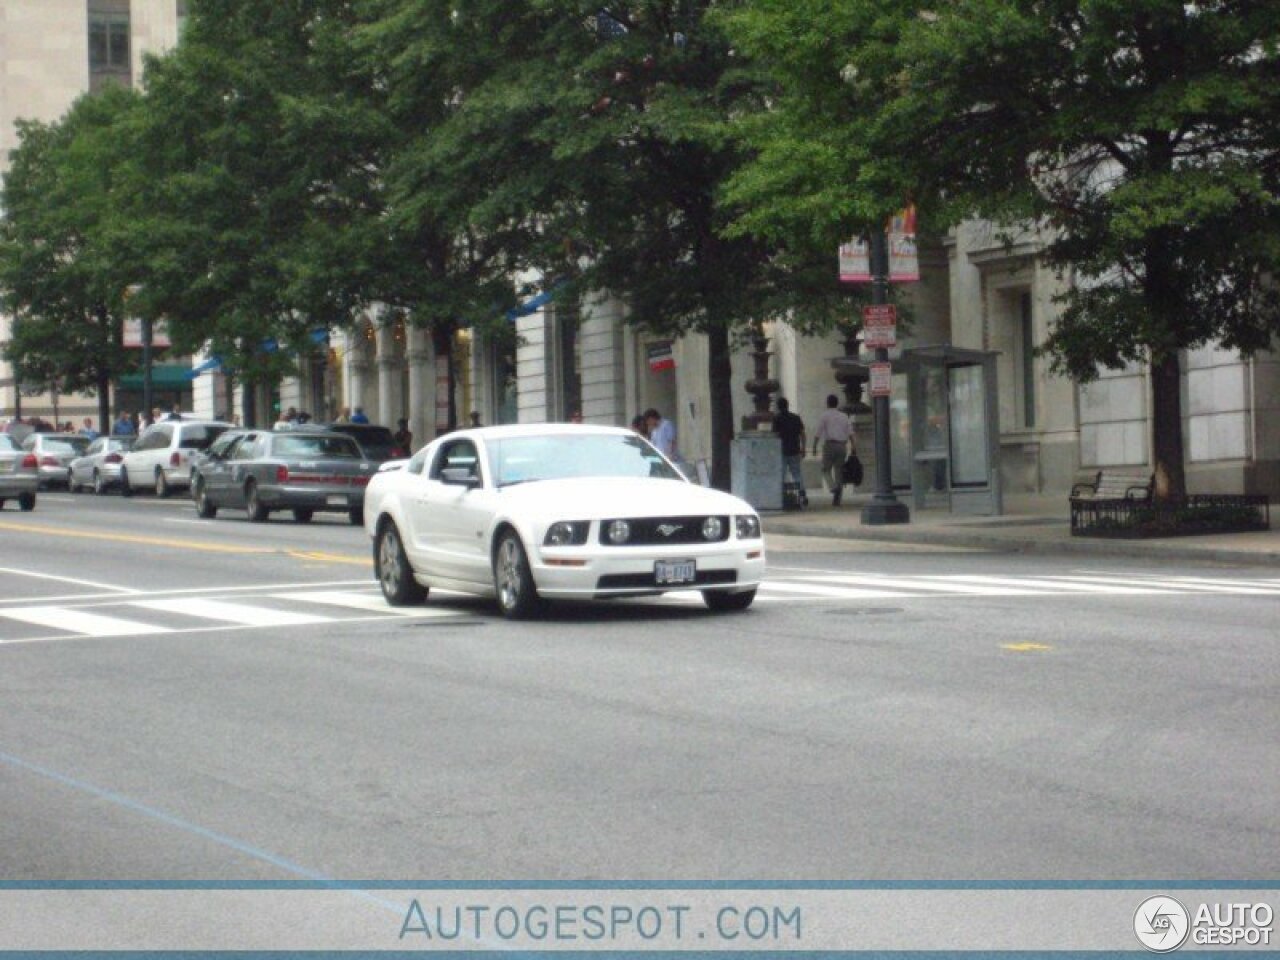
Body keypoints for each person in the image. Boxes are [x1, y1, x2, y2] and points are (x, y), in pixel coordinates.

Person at [812, 394, 855, 506]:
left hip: (830, 445)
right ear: (837, 403)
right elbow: (850, 433)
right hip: (842, 445)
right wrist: (854, 446)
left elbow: (818, 433)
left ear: (828, 403)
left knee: (825, 469)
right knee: (839, 471)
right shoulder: (844, 416)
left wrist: (814, 446)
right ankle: (837, 499)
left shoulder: (824, 416)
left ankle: (833, 487)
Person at [772, 397, 808, 507]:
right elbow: (802, 434)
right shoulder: (796, 418)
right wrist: (803, 447)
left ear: (778, 406)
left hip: (782, 450)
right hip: (795, 449)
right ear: (787, 405)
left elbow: (774, 435)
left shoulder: (776, 419)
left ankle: (781, 495)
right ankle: (802, 494)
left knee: (781, 474)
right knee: (797, 473)